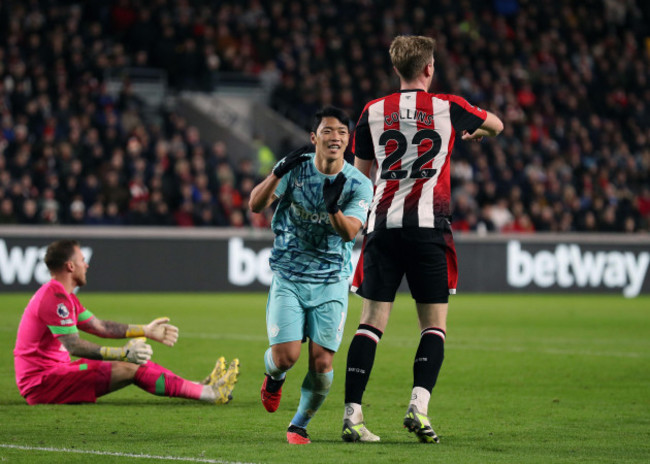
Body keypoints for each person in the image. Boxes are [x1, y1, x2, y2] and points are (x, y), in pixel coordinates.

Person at [342, 35, 504, 443]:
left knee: (369, 324)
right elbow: (498, 125)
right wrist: (477, 134)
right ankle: (418, 405)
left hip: (382, 226)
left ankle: (352, 415)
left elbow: (360, 179)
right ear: (429, 68)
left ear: (396, 69)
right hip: (430, 227)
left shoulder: (372, 111)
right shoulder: (449, 107)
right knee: (433, 327)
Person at [249, 106, 373, 445]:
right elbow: (256, 205)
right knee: (285, 357)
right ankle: (273, 377)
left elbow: (350, 233)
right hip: (289, 275)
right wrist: (277, 172)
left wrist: (333, 208)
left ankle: (299, 425)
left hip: (331, 280)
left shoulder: (359, 184)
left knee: (321, 362)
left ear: (348, 141)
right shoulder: (295, 171)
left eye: (342, 133)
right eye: (328, 131)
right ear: (314, 137)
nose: (335, 137)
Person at [13, 239, 240, 406]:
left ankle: (200, 387)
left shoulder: (65, 296)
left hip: (56, 373)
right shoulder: (55, 298)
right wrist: (121, 353)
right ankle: (209, 394)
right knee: (130, 366)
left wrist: (146, 330)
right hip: (42, 383)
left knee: (136, 362)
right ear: (70, 266)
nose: (86, 265)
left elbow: (99, 327)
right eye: (82, 260)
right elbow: (74, 346)